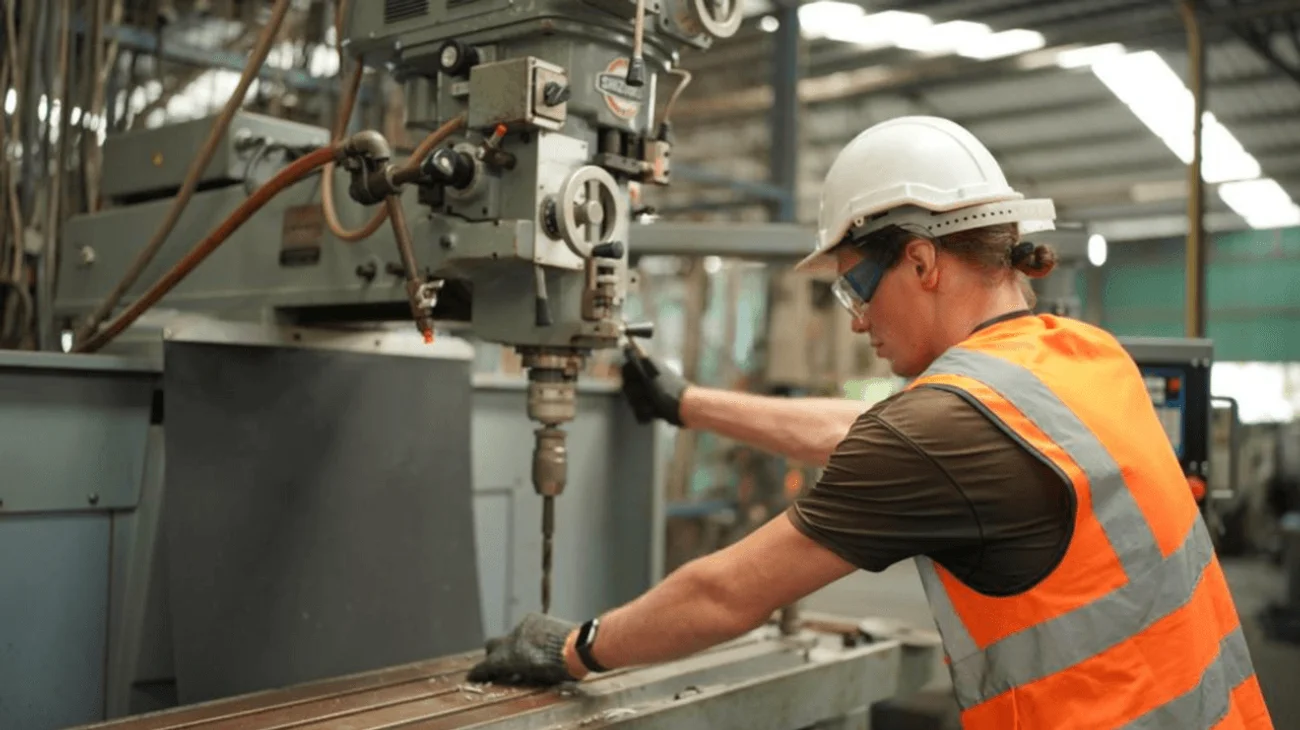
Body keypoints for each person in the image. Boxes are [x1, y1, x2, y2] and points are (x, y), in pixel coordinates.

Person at [467, 116, 1274, 729]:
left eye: (855, 288)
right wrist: (687, 403)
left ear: (922, 262)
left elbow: (726, 593)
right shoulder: (1080, 356)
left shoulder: (938, 431)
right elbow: (860, 430)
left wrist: (572, 647)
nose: (854, 321)